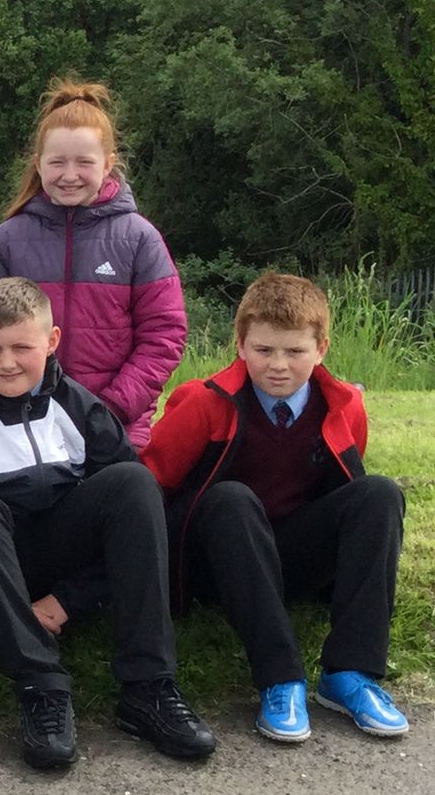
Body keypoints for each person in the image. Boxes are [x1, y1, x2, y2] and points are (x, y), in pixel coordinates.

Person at [0, 277, 214, 770]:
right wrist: (2, 608)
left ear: (51, 342)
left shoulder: (81, 407)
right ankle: (40, 687)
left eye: (21, 348)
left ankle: (148, 686)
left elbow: (124, 525)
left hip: (61, 569)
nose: (6, 363)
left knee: (134, 484)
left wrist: (71, 600)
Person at [142, 273, 408, 742]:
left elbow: (343, 489)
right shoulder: (203, 403)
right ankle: (280, 678)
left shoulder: (344, 406)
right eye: (264, 350)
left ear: (321, 348)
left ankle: (350, 674)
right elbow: (150, 487)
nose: (278, 365)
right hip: (220, 558)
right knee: (231, 498)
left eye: (295, 351)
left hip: (290, 553)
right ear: (241, 345)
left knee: (380, 494)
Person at [0, 78, 185, 448]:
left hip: (116, 425)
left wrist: (110, 408)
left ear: (109, 165)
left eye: (84, 163)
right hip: (21, 426)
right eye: (57, 163)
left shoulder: (139, 238)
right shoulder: (5, 240)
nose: (70, 176)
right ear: (38, 165)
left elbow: (164, 335)